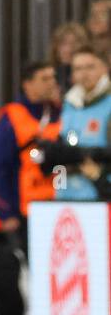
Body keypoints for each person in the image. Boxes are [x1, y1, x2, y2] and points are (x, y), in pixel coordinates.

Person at [0, 61, 60, 236]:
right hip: (25, 211)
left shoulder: (61, 113)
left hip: (58, 204)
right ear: (27, 84)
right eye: (44, 79)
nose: (52, 83)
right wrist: (6, 212)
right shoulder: (11, 117)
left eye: (53, 78)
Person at [51, 46, 111, 201]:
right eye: (78, 68)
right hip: (67, 195)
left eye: (90, 67)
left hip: (102, 196)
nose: (84, 73)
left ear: (105, 68)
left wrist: (99, 172)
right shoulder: (69, 105)